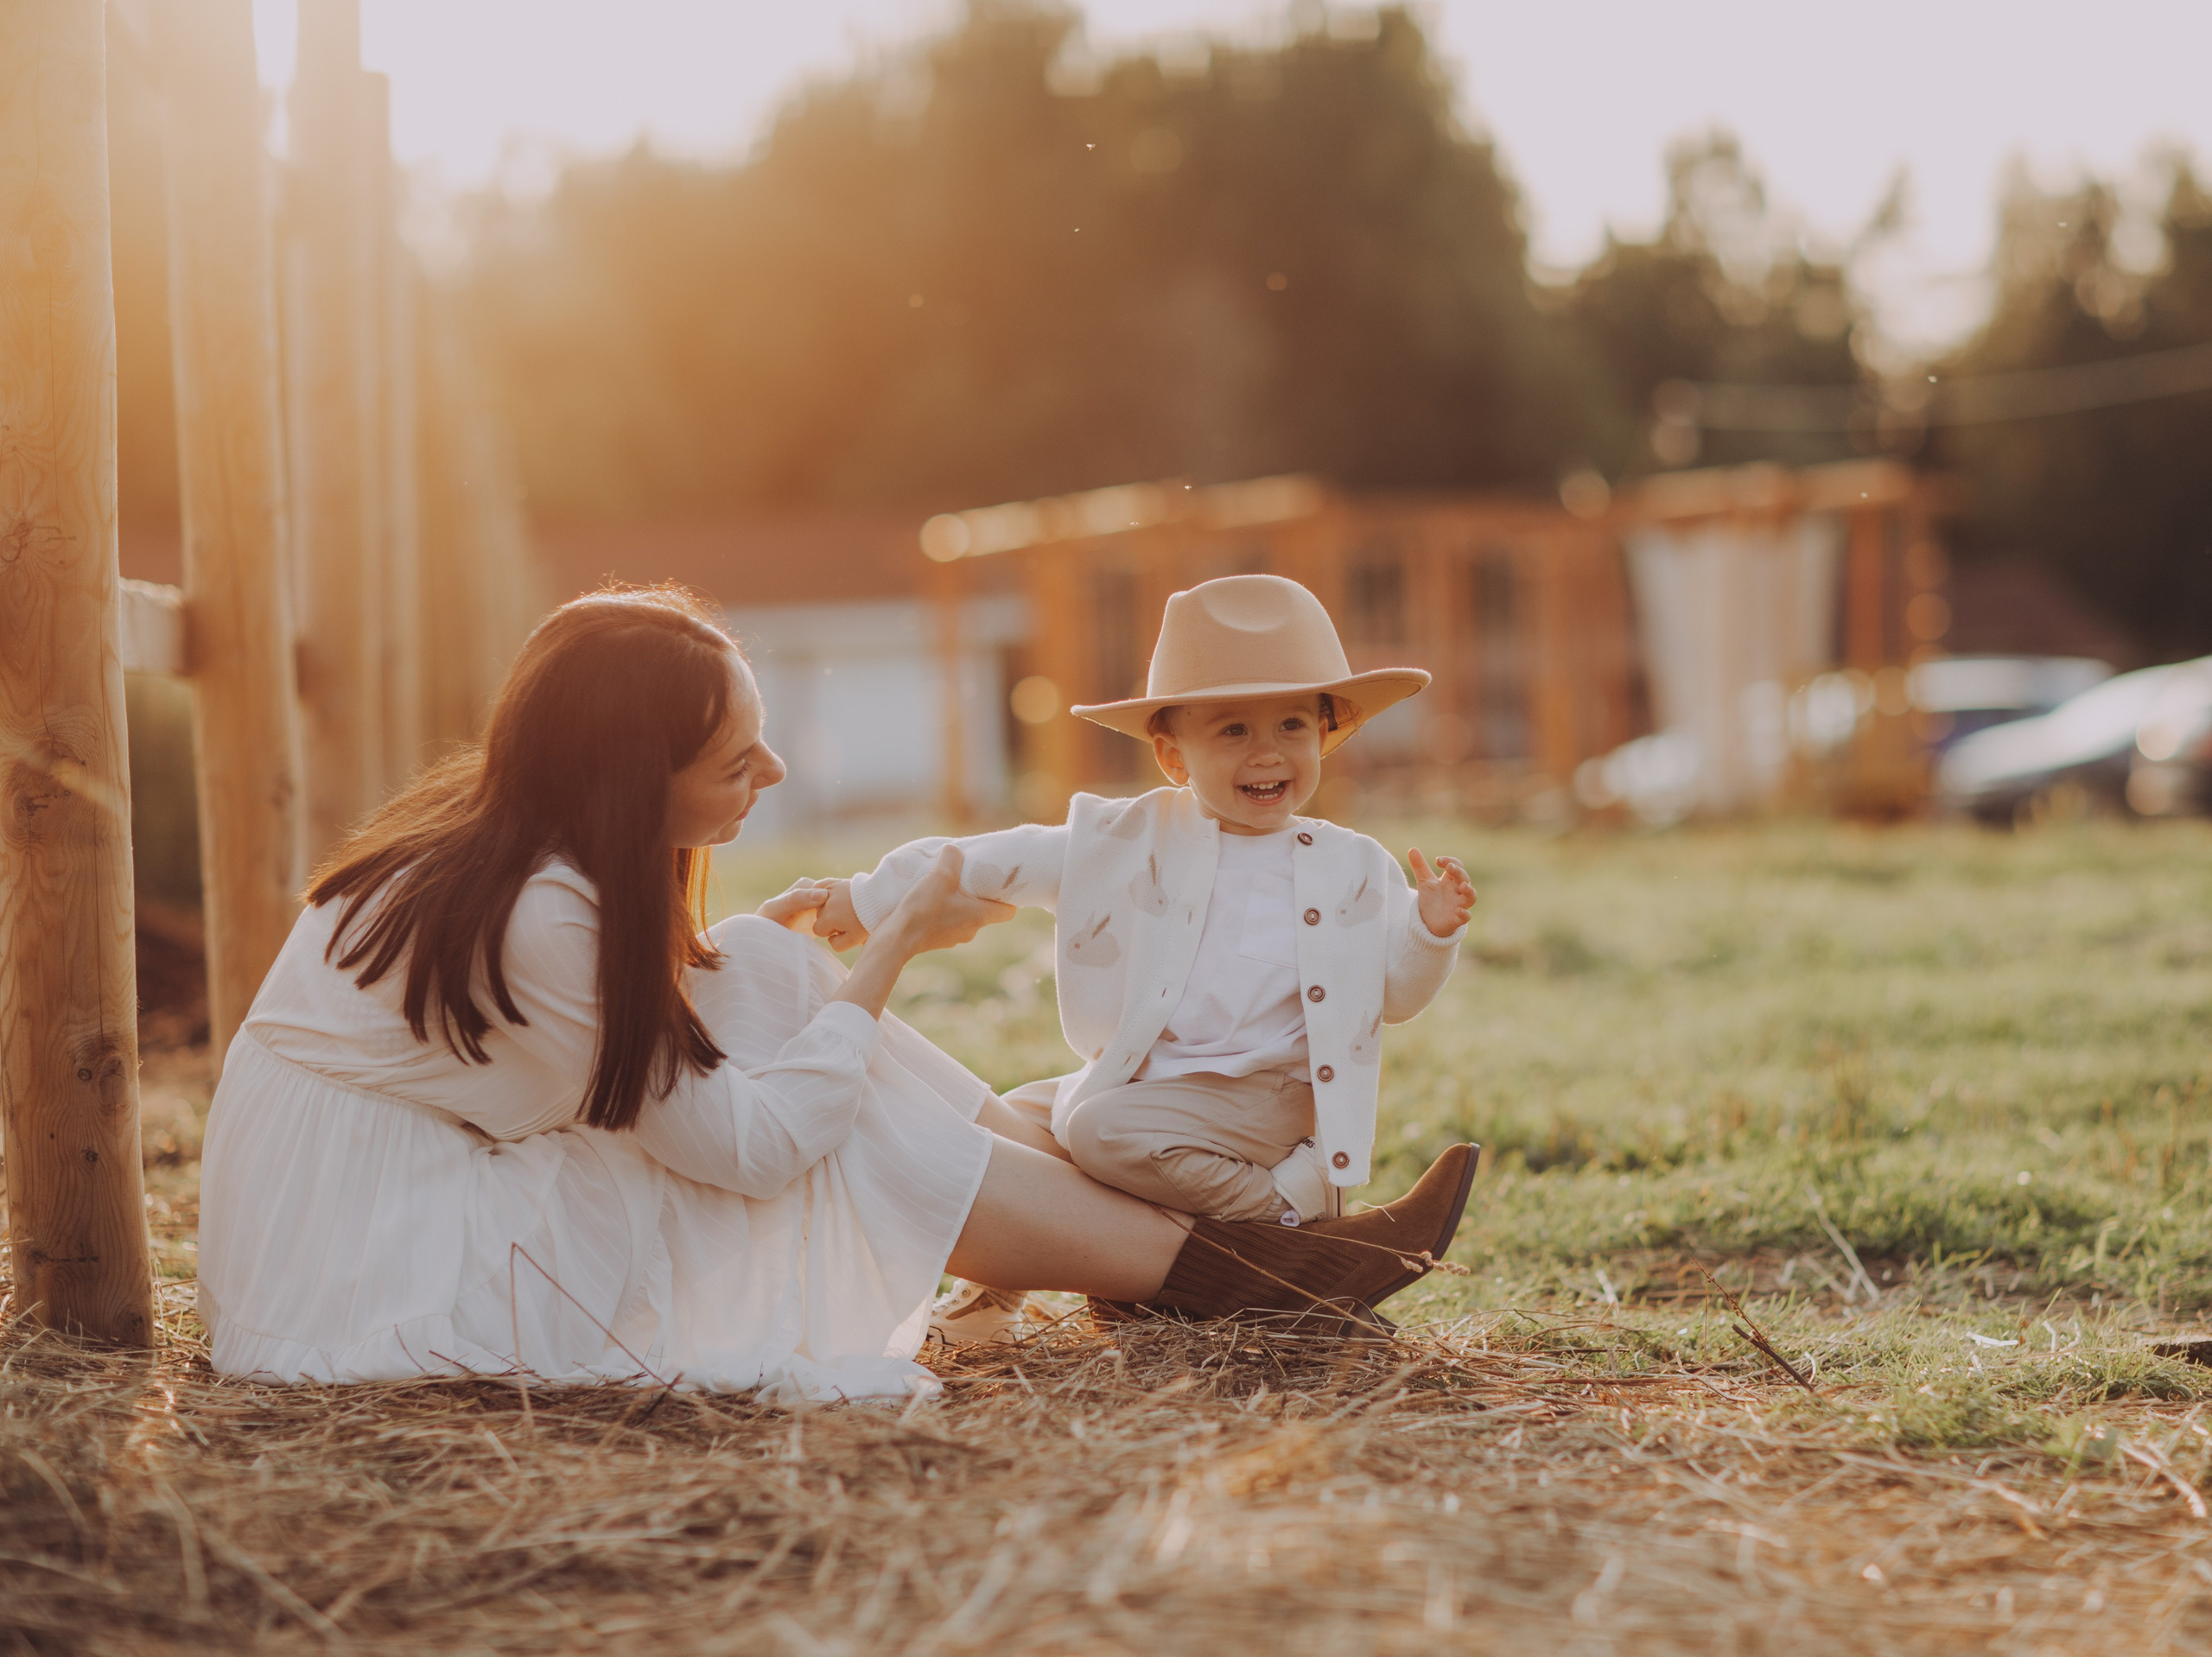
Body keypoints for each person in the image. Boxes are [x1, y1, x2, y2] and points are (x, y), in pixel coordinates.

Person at [196, 585, 1464, 1404]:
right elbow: (748, 1152)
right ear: (637, 779)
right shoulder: (540, 911)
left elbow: (659, 1023)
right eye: (739, 756)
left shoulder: (521, 859)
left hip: (425, 1194)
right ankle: (1235, 1270)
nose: (777, 766)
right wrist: (887, 948)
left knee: (778, 974)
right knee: (827, 1088)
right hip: (389, 1272)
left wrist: (804, 960)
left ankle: (1209, 1247)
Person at [810, 575, 1478, 1346]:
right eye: (1232, 731)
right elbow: (983, 858)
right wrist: (867, 900)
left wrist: (1429, 932)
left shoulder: (1352, 864)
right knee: (1012, 1120)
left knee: (1098, 1130)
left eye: (1292, 724)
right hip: (1145, 1082)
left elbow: (1393, 996)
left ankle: (1279, 1216)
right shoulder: (1122, 842)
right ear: (1171, 754)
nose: (1268, 753)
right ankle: (992, 1299)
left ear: (1326, 734)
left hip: (1261, 1099)